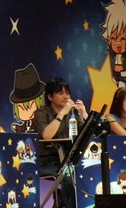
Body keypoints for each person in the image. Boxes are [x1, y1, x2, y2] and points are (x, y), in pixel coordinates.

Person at [34, 76, 88, 208]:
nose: (66, 97)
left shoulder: (73, 113)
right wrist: (62, 113)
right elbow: (47, 135)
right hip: (47, 161)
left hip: (69, 160)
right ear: (50, 97)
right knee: (69, 178)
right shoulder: (41, 113)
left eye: (68, 93)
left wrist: (84, 114)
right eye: (61, 93)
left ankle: (63, 201)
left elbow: (86, 134)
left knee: (86, 172)